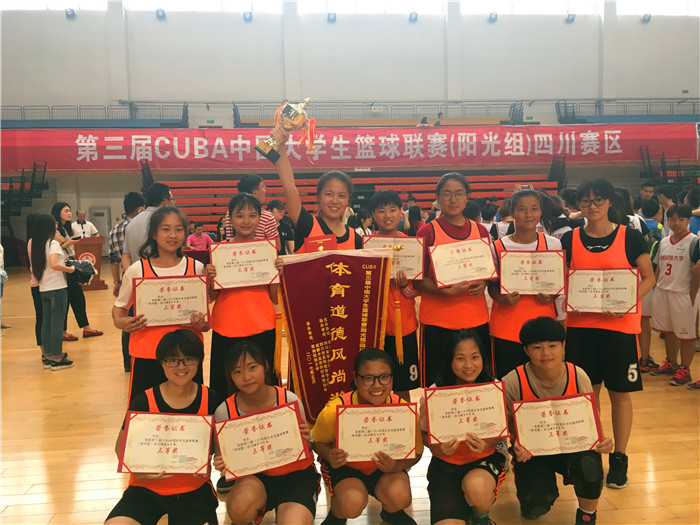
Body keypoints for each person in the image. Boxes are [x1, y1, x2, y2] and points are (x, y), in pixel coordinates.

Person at [560, 179, 654, 489]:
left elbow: (649, 277)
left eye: (598, 200)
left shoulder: (630, 237)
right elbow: (561, 280)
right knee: (587, 394)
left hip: (619, 329)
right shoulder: (570, 238)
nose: (592, 206)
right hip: (581, 328)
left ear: (610, 202)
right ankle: (592, 453)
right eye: (585, 201)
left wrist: (626, 300)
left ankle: (620, 457)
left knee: (619, 394)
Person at [503, 317, 614, 525]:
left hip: (573, 448)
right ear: (526, 350)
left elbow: (590, 421)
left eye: (552, 346)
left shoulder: (578, 375)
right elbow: (503, 427)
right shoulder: (513, 381)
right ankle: (536, 492)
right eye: (537, 347)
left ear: (563, 346)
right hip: (533, 454)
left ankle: (587, 515)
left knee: (589, 464)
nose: (546, 353)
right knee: (535, 506)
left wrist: (603, 441)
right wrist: (515, 441)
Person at [104, 330, 221, 525]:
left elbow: (220, 448)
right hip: (145, 490)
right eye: (173, 360)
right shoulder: (144, 401)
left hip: (193, 491)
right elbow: (120, 449)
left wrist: (218, 461)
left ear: (199, 361)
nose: (181, 367)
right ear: (162, 363)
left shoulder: (210, 399)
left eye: (189, 359)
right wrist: (135, 469)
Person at [312, 348, 423, 525]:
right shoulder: (335, 410)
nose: (377, 385)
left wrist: (397, 466)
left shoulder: (403, 410)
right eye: (368, 378)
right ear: (356, 379)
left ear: (392, 378)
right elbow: (316, 441)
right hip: (346, 468)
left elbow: (416, 452)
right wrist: (329, 455)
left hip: (385, 468)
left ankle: (391, 513)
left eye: (384, 377)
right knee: (351, 502)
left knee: (400, 494)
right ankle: (337, 516)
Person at [212, 341, 320, 523]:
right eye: (237, 372)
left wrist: (306, 440)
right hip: (254, 479)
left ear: (266, 366)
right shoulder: (224, 411)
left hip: (296, 475)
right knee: (240, 507)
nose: (246, 377)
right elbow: (224, 460)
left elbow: (308, 446)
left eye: (252, 367)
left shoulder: (288, 399)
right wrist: (223, 463)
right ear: (230, 376)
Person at [113, 207, 209, 403]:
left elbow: (206, 323)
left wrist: (202, 324)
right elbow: (119, 308)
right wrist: (122, 322)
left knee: (190, 411)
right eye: (166, 229)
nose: (173, 235)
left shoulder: (197, 268)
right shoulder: (136, 270)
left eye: (179, 229)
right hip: (147, 354)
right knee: (144, 412)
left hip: (187, 357)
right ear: (154, 234)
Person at [419, 329, 506, 525]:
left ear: (483, 358)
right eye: (460, 358)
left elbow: (500, 432)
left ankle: (480, 515)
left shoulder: (493, 387)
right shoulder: (435, 392)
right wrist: (437, 447)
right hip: (446, 464)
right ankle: (461, 506)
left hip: (484, 459)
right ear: (449, 361)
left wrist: (486, 444)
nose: (468, 365)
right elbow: (423, 434)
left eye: (475, 357)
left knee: (477, 489)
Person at [415, 173, 494, 387]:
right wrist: (444, 291)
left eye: (458, 194)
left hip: (475, 318)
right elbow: (417, 279)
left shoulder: (480, 230)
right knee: (438, 385)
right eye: (446, 194)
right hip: (438, 321)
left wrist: (484, 283)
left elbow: (488, 271)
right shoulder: (427, 231)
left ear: (467, 197)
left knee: (478, 383)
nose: (453, 200)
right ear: (438, 198)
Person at [208, 194, 279, 398]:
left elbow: (274, 297)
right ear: (230, 218)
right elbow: (211, 297)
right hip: (226, 326)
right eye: (239, 215)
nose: (246, 221)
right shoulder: (219, 252)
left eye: (252, 215)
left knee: (264, 386)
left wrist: (278, 274)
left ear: (259, 218)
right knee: (225, 386)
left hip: (262, 325)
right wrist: (209, 277)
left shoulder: (267, 251)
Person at [488, 190, 562, 378]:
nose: (529, 214)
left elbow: (557, 284)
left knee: (542, 383)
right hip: (506, 326)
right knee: (508, 383)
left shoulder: (553, 244)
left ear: (540, 212)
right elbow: (492, 285)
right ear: (512, 212)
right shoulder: (497, 246)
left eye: (534, 209)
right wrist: (501, 299)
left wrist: (551, 296)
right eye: (522, 209)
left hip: (543, 327)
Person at [272, 127, 362, 252]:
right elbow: (289, 187)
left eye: (341, 196)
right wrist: (280, 146)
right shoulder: (306, 224)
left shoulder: (356, 240)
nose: (335, 201)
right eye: (329, 194)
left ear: (348, 200)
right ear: (319, 196)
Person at [369, 190, 421, 400]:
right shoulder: (366, 247)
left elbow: (419, 287)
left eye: (392, 210)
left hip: (403, 325)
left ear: (401, 212)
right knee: (374, 383)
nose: (387, 215)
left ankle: (404, 418)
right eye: (381, 211)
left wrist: (407, 287)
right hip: (374, 328)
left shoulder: (412, 245)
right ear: (373, 214)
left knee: (402, 385)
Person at [649, 205, 700, 386]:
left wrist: (692, 295)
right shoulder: (663, 242)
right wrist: (655, 288)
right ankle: (671, 362)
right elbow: (658, 268)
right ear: (667, 220)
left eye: (681, 219)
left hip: (683, 293)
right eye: (672, 219)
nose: (676, 223)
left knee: (687, 335)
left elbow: (697, 273)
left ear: (688, 221)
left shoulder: (694, 242)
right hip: (663, 291)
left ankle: (685, 369)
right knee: (668, 331)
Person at [29, 214, 76, 371]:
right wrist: (70, 269)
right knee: (57, 324)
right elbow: (54, 264)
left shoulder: (38, 244)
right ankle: (57, 357)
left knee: (46, 323)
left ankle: (48, 355)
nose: (56, 225)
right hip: (57, 288)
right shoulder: (53, 243)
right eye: (53, 223)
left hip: (44, 288)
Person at [51, 202, 103, 341]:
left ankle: (86, 327)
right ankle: (63, 331)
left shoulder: (67, 228)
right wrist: (67, 244)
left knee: (78, 297)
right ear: (58, 212)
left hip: (70, 264)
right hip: (61, 268)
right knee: (66, 299)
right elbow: (52, 251)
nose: (69, 213)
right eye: (66, 211)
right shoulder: (53, 229)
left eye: (70, 210)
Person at [110, 192, 146, 373]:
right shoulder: (140, 226)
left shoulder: (114, 229)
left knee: (126, 320)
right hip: (145, 277)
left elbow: (113, 259)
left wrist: (117, 281)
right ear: (140, 208)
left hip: (127, 277)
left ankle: (127, 362)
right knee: (141, 320)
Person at [637, 199, 664, 373]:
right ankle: (644, 358)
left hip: (636, 276)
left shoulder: (636, 220)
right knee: (644, 320)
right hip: (646, 274)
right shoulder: (658, 227)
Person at [122, 183, 175, 270]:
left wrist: (131, 275)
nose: (173, 203)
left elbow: (126, 256)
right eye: (172, 200)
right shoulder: (168, 221)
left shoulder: (132, 223)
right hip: (163, 275)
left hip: (138, 275)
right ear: (165, 202)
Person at [223, 174, 281, 252]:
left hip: (233, 253)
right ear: (255, 192)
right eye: (263, 187)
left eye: (252, 216)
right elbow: (276, 247)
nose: (246, 221)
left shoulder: (231, 212)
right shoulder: (267, 216)